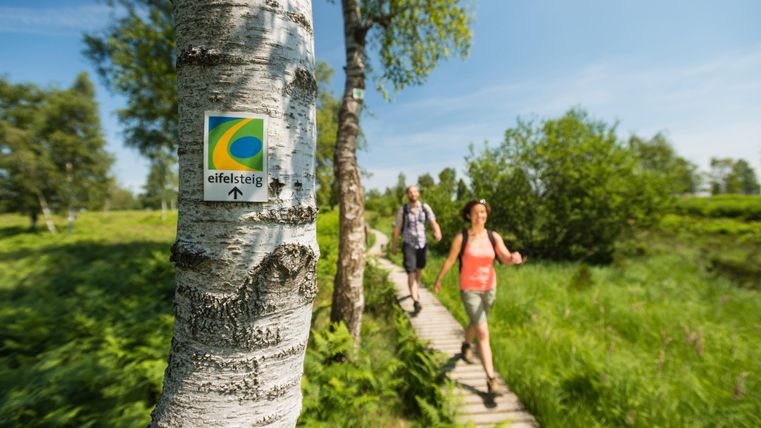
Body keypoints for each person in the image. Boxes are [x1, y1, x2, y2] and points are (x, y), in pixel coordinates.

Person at [433, 199, 523, 396]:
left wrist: (513, 258)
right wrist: (439, 279)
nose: (479, 215)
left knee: (476, 322)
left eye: (483, 212)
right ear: (468, 215)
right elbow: (450, 260)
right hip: (469, 289)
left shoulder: (493, 236)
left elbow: (504, 257)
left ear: (486, 214)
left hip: (490, 288)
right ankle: (491, 379)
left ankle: (466, 345)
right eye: (475, 212)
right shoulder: (461, 238)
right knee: (482, 332)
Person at [391, 185, 442, 314]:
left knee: (419, 269)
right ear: (407, 195)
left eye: (415, 192)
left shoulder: (425, 207)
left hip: (422, 244)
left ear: (418, 194)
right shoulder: (403, 210)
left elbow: (433, 221)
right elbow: (397, 227)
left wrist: (437, 232)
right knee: (411, 272)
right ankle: (415, 301)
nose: (413, 194)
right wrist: (394, 244)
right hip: (409, 244)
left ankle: (415, 289)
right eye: (410, 192)